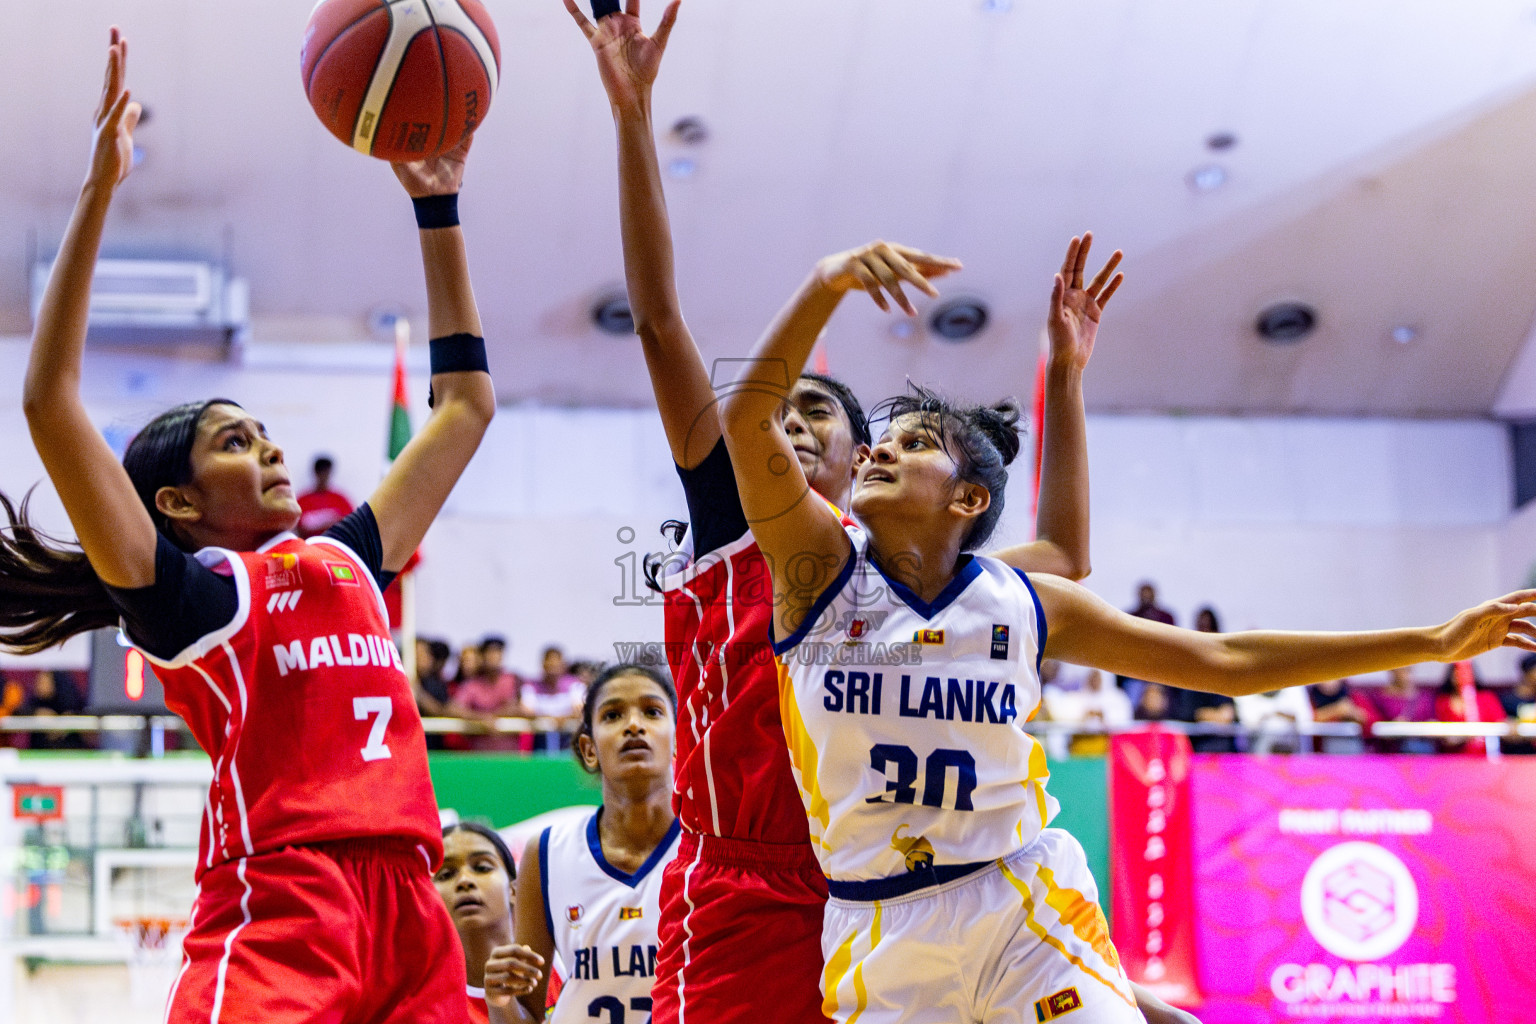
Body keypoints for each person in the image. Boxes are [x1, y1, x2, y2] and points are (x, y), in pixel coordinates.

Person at [714, 239, 1536, 1024]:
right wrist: (827, 282)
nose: (875, 454)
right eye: (878, 445)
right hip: (879, 925)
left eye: (914, 443)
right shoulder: (816, 572)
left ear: (966, 502)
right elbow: (747, 418)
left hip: (1019, 897)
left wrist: (1431, 642)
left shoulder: (1023, 601)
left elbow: (1226, 661)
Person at [559, 6, 1179, 1024]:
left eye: (822, 415)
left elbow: (1065, 552)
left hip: (888, 887)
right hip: (742, 890)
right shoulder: (737, 521)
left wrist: (1064, 377)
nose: (794, 425)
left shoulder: (906, 578)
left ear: (856, 466)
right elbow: (662, 319)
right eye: (783, 411)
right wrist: (633, 115)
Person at [3, 29, 495, 1023]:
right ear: (177, 504)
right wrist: (100, 190)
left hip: (409, 899)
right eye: (235, 441)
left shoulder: (347, 560)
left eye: (264, 434)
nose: (269, 450)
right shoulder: (195, 602)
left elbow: (467, 407)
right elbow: (49, 402)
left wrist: (436, 204)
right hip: (283, 899)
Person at [511, 664, 681, 1023]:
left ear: (679, 739)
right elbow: (526, 1011)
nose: (633, 725)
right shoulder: (545, 852)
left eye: (652, 711)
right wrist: (500, 1002)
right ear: (589, 749)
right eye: (613, 714)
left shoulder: (707, 848)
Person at [435, 822, 544, 1024]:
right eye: (446, 874)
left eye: (482, 867)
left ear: (514, 889)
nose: (464, 881)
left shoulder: (556, 958)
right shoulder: (425, 1001)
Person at [1173, 606, 1238, 752]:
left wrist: (1205, 715)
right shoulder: (1188, 680)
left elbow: (1227, 715)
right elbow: (1188, 714)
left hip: (1224, 748)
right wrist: (1210, 715)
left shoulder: (1224, 678)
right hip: (1197, 748)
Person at [450, 635, 524, 751]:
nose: (493, 657)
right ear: (482, 656)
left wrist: (492, 716)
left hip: (510, 756)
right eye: (490, 653)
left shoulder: (515, 680)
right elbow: (454, 709)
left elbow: (521, 708)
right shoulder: (472, 685)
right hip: (480, 758)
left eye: (497, 653)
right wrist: (481, 719)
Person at [1118, 583, 1175, 707]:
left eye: (1149, 595)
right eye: (1143, 595)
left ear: (1155, 596)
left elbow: (1173, 646)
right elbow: (1122, 647)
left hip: (1160, 673)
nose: (1146, 598)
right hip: (1135, 673)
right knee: (1130, 704)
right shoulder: (1128, 617)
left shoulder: (1166, 617)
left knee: (1159, 703)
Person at [520, 645, 586, 750]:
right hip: (539, 740)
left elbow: (580, 710)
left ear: (563, 665)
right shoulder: (531, 686)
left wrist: (563, 719)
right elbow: (527, 711)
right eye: (549, 663)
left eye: (556, 663)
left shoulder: (575, 684)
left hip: (568, 740)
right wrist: (551, 720)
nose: (553, 667)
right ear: (543, 664)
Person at [1433, 661, 1506, 756]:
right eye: (1458, 672)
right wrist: (1465, 736)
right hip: (1453, 759)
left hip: (1485, 757)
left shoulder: (1487, 698)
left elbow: (1501, 724)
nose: (1462, 676)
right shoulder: (1442, 702)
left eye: (1467, 671)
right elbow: (1443, 737)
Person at [1358, 667, 1436, 754]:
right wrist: (1393, 726)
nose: (1405, 674)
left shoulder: (1425, 698)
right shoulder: (1380, 698)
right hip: (1390, 752)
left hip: (1422, 750)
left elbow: (1433, 719)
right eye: (1402, 669)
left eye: (1408, 669)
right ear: (1392, 670)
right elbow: (1373, 726)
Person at [296, 455, 355, 538]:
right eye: (321, 472)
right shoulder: (302, 500)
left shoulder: (340, 500)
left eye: (326, 472)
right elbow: (298, 528)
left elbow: (350, 524)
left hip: (334, 545)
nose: (324, 476)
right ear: (316, 473)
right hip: (309, 546)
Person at [1308, 678, 1371, 753]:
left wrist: (1353, 713)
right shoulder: (1311, 698)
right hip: (1320, 752)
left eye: (1333, 678)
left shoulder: (1352, 696)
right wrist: (1335, 710)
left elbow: (1370, 721)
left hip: (1353, 749)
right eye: (1325, 678)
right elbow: (1308, 720)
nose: (1329, 682)